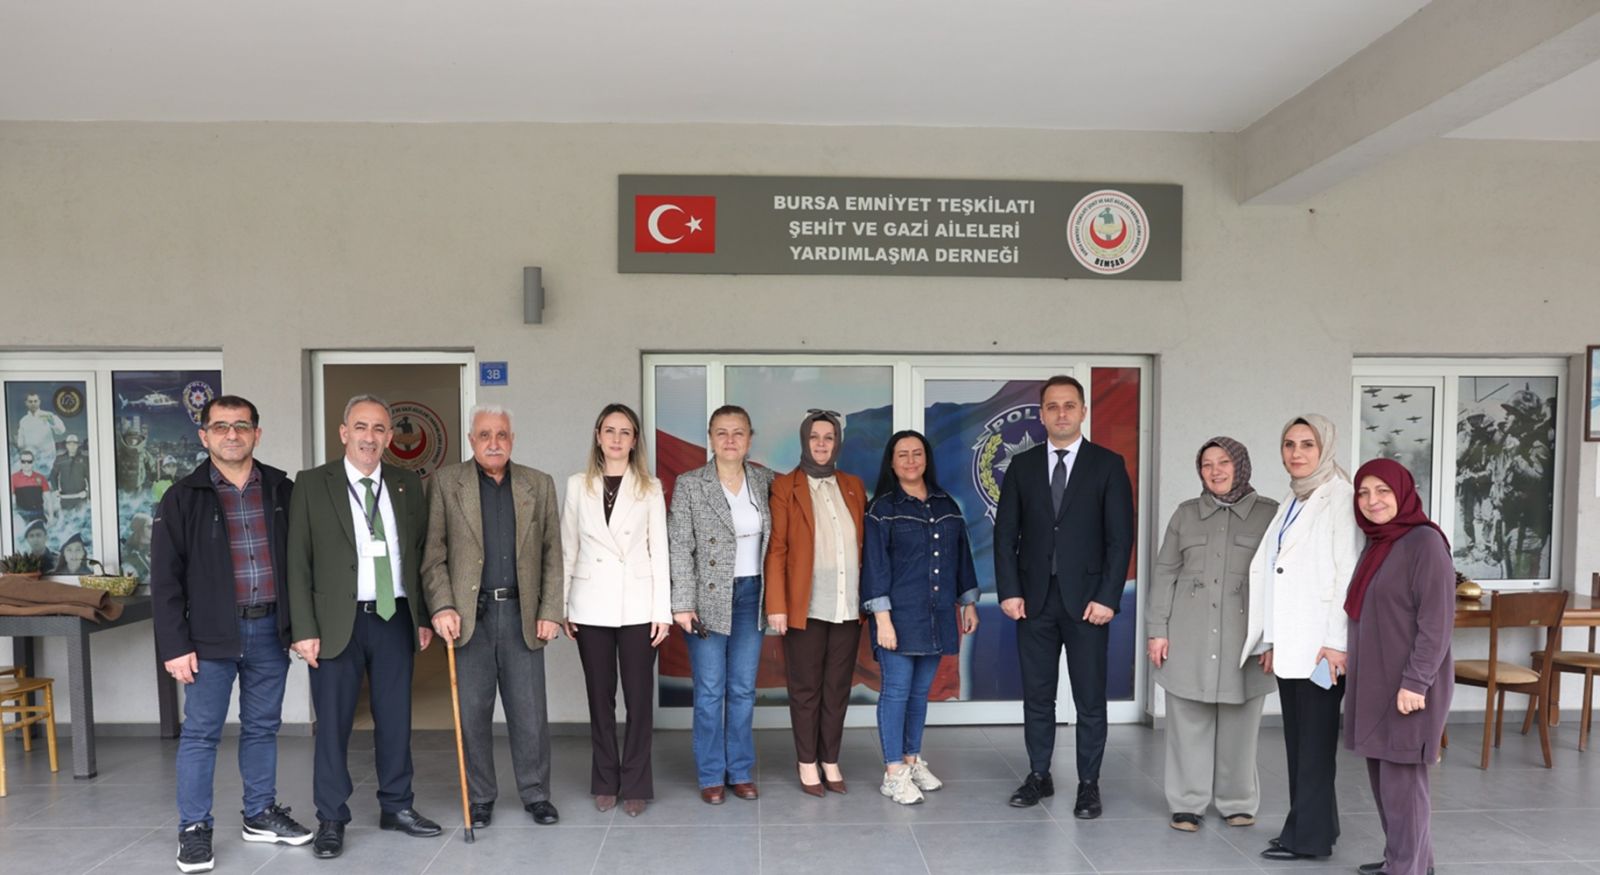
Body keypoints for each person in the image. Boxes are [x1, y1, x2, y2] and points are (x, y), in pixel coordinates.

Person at [150, 395, 308, 873]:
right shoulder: (181, 497)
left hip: (270, 630)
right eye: (221, 426)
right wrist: (175, 645)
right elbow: (165, 580)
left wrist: (301, 627)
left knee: (262, 728)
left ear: (257, 433)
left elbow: (304, 562)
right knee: (201, 734)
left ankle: (259, 814)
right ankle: (194, 829)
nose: (232, 434)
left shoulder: (282, 489)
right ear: (204, 436)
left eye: (241, 425)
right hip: (208, 637)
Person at [287, 394, 438, 860]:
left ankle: (397, 806)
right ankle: (331, 817)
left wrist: (423, 616)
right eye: (360, 427)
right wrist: (303, 628)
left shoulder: (406, 484)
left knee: (395, 720)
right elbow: (297, 560)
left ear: (390, 437)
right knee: (333, 725)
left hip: (394, 616)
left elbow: (418, 554)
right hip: (336, 622)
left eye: (378, 429)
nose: (369, 437)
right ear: (343, 432)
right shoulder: (312, 483)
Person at [994, 375, 1134, 817]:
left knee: (1090, 699)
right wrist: (1009, 591)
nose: (1061, 413)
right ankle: (1039, 774)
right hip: (1033, 601)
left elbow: (1120, 539)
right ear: (1041, 414)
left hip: (1089, 603)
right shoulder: (1022, 466)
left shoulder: (1107, 465)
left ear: (1083, 411)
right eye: (1052, 406)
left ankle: (1088, 784)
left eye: (1069, 405)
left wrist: (1108, 597)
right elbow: (1004, 535)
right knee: (1038, 697)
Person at [421, 404, 564, 830]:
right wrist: (442, 605)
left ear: (512, 439)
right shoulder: (446, 483)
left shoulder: (539, 484)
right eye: (484, 435)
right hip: (470, 618)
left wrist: (551, 610)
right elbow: (433, 554)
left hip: (523, 614)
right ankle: (480, 797)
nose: (494, 443)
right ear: (472, 440)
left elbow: (553, 554)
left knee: (530, 713)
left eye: (501, 434)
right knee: (472, 714)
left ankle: (536, 794)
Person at [1240, 414, 1362, 862]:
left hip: (1321, 648)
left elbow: (1347, 574)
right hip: (1293, 643)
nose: (1297, 453)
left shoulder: (1340, 497)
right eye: (1289, 444)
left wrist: (1336, 643)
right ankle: (1318, 826)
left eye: (1307, 444)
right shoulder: (1294, 498)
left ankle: (1308, 839)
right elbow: (1278, 573)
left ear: (1325, 448)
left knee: (1314, 747)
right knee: (1300, 741)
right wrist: (1271, 640)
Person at [1147, 437, 1277, 832]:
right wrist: (1157, 630)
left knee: (1241, 726)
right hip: (1189, 636)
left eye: (1224, 462)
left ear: (1241, 465)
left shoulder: (1269, 514)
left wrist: (1274, 639)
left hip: (1246, 641)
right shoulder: (1186, 515)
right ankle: (1187, 803)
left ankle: (1237, 801)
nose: (1215, 471)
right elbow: (1165, 573)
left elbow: (1283, 581)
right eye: (1207, 464)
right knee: (1187, 722)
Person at [561, 403, 672, 817]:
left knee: (639, 700)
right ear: (597, 435)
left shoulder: (650, 487)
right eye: (610, 430)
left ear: (635, 440)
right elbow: (568, 547)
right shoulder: (578, 485)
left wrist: (662, 611)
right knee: (599, 697)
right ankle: (606, 779)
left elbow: (659, 551)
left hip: (639, 605)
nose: (617, 439)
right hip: (590, 605)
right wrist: (564, 605)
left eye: (625, 432)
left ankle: (637, 781)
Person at [1347, 459, 1453, 875]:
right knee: (1386, 782)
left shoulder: (1425, 542)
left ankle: (1406, 868)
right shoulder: (1380, 542)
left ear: (1403, 492)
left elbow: (1436, 622)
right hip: (1378, 683)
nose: (1372, 500)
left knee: (1403, 783)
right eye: (1363, 492)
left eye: (1383, 490)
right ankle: (1409, 861)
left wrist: (1416, 682)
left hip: (1409, 685)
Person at [862, 430, 979, 805]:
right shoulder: (882, 509)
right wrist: (882, 619)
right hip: (898, 616)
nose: (911, 461)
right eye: (903, 455)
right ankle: (893, 772)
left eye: (917, 453)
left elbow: (962, 557)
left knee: (918, 694)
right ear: (891, 462)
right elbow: (874, 567)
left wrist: (969, 603)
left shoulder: (947, 505)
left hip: (938, 613)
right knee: (895, 692)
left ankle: (912, 760)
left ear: (926, 459)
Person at [668, 405, 775, 804]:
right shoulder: (691, 484)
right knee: (711, 690)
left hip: (752, 594)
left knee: (743, 689)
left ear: (750, 438)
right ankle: (712, 773)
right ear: (710, 438)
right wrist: (682, 603)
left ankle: (740, 770)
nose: (730, 440)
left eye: (738, 432)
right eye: (722, 432)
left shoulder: (765, 480)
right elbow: (679, 545)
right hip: (707, 597)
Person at [765, 410, 867, 796]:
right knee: (806, 688)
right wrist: (777, 604)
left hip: (847, 604)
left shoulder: (853, 485)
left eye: (828, 437)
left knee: (837, 687)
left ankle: (830, 759)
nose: (821, 444)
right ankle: (807, 761)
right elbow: (777, 548)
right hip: (804, 605)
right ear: (804, 441)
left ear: (837, 442)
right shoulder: (785, 486)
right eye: (814, 437)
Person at [14, 391, 65, 475]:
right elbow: (21, 442)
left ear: (39, 402)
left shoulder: (47, 415)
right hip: (31, 459)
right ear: (26, 403)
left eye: (35, 401)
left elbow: (61, 430)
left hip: (47, 458)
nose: (33, 404)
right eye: (30, 401)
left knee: (46, 479)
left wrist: (52, 422)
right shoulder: (23, 420)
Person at [50, 433, 90, 513]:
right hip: (65, 498)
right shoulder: (60, 459)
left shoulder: (85, 460)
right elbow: (53, 476)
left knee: (81, 519)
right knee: (67, 519)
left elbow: (90, 478)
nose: (72, 446)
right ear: (66, 445)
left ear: (78, 445)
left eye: (74, 444)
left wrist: (88, 493)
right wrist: (56, 490)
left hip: (81, 498)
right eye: (69, 444)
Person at [10, 449, 51, 521]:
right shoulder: (13, 478)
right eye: (23, 461)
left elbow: (48, 499)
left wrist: (51, 517)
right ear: (20, 462)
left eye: (29, 462)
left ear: (33, 462)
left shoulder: (41, 478)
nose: (26, 464)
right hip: (22, 515)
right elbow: (11, 501)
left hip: (39, 514)